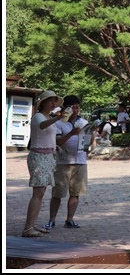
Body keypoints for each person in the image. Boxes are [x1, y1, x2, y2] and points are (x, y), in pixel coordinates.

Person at [22, 90, 68, 237]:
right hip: (38, 156)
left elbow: (48, 135)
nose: (53, 103)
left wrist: (56, 146)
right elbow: (42, 126)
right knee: (38, 192)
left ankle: (32, 224)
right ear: (43, 103)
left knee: (41, 193)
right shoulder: (38, 116)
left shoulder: (48, 117)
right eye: (50, 100)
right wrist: (57, 118)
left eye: (54, 100)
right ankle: (28, 227)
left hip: (49, 156)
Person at [46, 94, 94, 230]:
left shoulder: (84, 122)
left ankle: (70, 219)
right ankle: (52, 220)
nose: (75, 110)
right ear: (66, 108)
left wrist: (91, 134)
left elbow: (88, 141)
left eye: (77, 107)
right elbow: (58, 141)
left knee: (76, 192)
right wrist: (72, 133)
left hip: (80, 160)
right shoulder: (59, 122)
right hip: (63, 162)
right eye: (72, 108)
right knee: (57, 193)